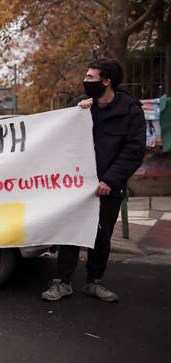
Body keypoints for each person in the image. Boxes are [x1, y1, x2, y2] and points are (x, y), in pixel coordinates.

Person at [41, 58, 145, 303]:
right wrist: (76, 112)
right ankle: (62, 282)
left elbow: (134, 149)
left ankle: (94, 282)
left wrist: (111, 179)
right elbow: (60, 134)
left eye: (90, 77)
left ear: (106, 81)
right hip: (77, 186)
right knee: (70, 233)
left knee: (101, 236)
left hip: (108, 187)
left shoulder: (130, 110)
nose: (85, 81)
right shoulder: (81, 106)